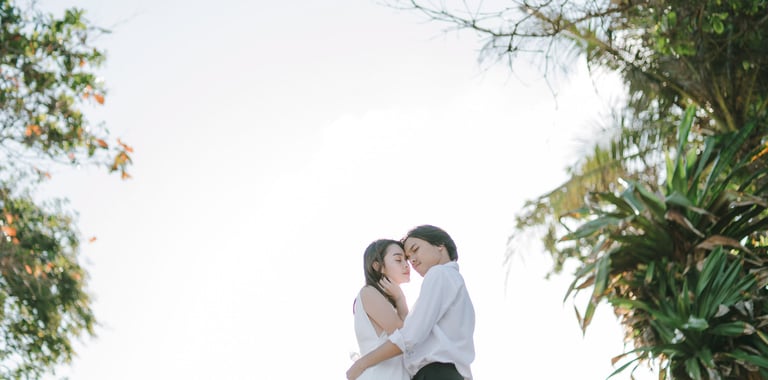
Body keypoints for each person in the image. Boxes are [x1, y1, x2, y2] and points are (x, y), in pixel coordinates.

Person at [347, 225, 475, 380]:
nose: (410, 262)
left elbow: (408, 336)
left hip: (436, 373)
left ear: (440, 246)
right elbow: (410, 334)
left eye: (415, 249)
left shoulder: (439, 274)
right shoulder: (452, 280)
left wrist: (361, 363)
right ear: (377, 266)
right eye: (400, 259)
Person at [352, 239, 412, 380]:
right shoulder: (369, 293)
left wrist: (399, 298)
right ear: (377, 266)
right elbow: (406, 336)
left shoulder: (390, 301)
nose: (406, 265)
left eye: (406, 260)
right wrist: (400, 298)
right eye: (398, 259)